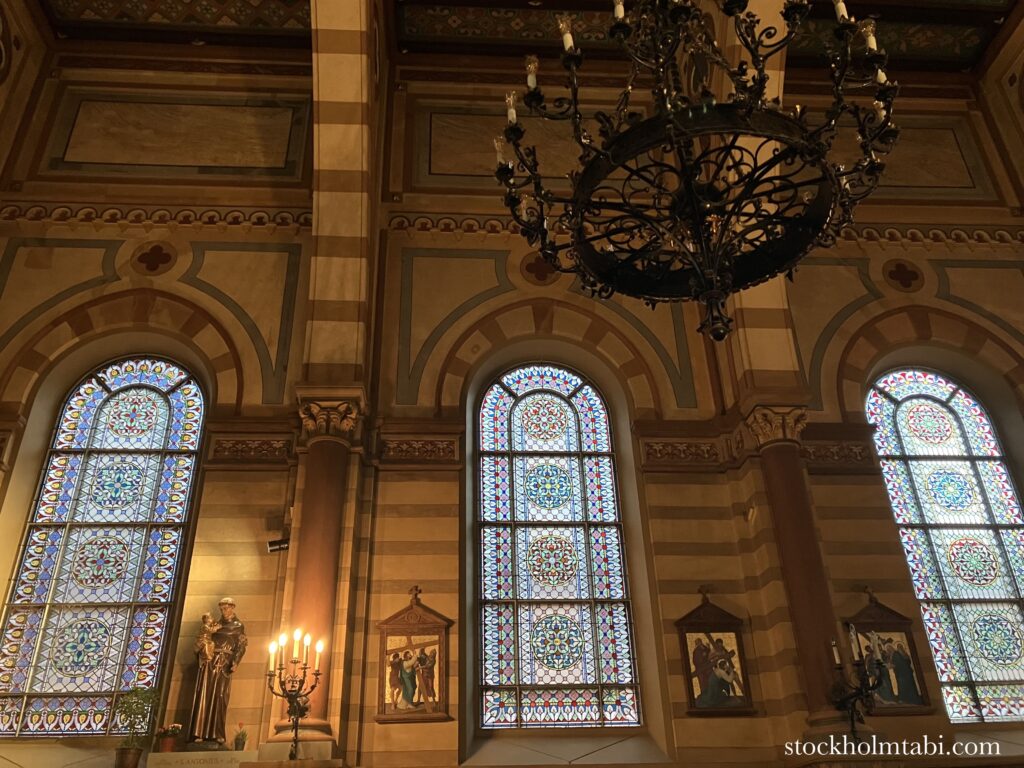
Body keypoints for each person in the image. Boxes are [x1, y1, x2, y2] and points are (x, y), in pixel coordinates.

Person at [188, 598, 248, 744]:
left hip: (225, 663)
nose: (224, 611)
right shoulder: (215, 625)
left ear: (233, 607)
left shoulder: (238, 626)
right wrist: (202, 649)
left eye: (226, 608)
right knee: (204, 694)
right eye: (221, 609)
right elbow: (204, 638)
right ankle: (199, 733)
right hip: (209, 662)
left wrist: (235, 662)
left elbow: (241, 645)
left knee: (220, 696)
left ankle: (217, 733)